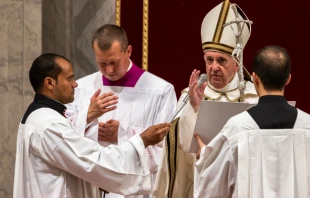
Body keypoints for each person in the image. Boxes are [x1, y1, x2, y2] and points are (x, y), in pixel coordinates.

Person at [13, 53, 171, 198]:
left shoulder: (39, 116)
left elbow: (70, 159)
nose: (75, 84)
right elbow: (93, 161)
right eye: (69, 78)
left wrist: (95, 181)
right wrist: (141, 140)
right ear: (49, 83)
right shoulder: (49, 125)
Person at [152, 0, 258, 197]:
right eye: (209, 60)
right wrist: (194, 107)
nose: (214, 67)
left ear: (236, 64)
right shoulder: (189, 96)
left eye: (221, 60)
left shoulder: (254, 97)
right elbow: (181, 147)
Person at [65, 24, 177, 198]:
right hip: (90, 189)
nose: (109, 70)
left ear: (129, 51)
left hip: (137, 192)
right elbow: (64, 138)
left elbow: (167, 146)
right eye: (102, 63)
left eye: (113, 62)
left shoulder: (160, 91)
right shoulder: (82, 88)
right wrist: (87, 117)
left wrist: (123, 133)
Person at [193, 45, 310, 197]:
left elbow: (211, 188)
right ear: (288, 79)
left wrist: (205, 156)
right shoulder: (307, 126)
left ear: (254, 78)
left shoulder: (237, 128)